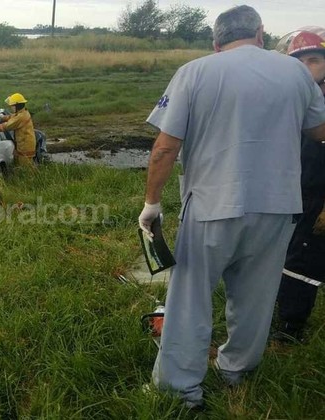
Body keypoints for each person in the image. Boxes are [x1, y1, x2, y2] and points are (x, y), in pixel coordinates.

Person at [137, 5, 325, 409]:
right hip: (278, 206)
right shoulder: (295, 73)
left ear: (215, 41)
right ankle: (236, 371)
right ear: (260, 33)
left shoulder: (195, 72)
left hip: (211, 205)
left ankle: (180, 391)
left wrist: (151, 204)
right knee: (256, 297)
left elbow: (166, 147)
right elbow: (319, 130)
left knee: (190, 299)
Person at [274, 28, 325, 343]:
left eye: (314, 60)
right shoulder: (287, 99)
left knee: (303, 259)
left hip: (318, 195)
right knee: (287, 253)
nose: (306, 68)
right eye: (299, 62)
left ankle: (290, 329)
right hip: (291, 191)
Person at [0, 93, 36, 167]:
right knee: (20, 164)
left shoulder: (21, 117)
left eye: (12, 106)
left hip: (25, 146)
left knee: (26, 167)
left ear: (17, 106)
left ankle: (28, 174)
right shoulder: (21, 112)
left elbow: (7, 126)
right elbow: (10, 117)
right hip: (23, 143)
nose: (11, 107)